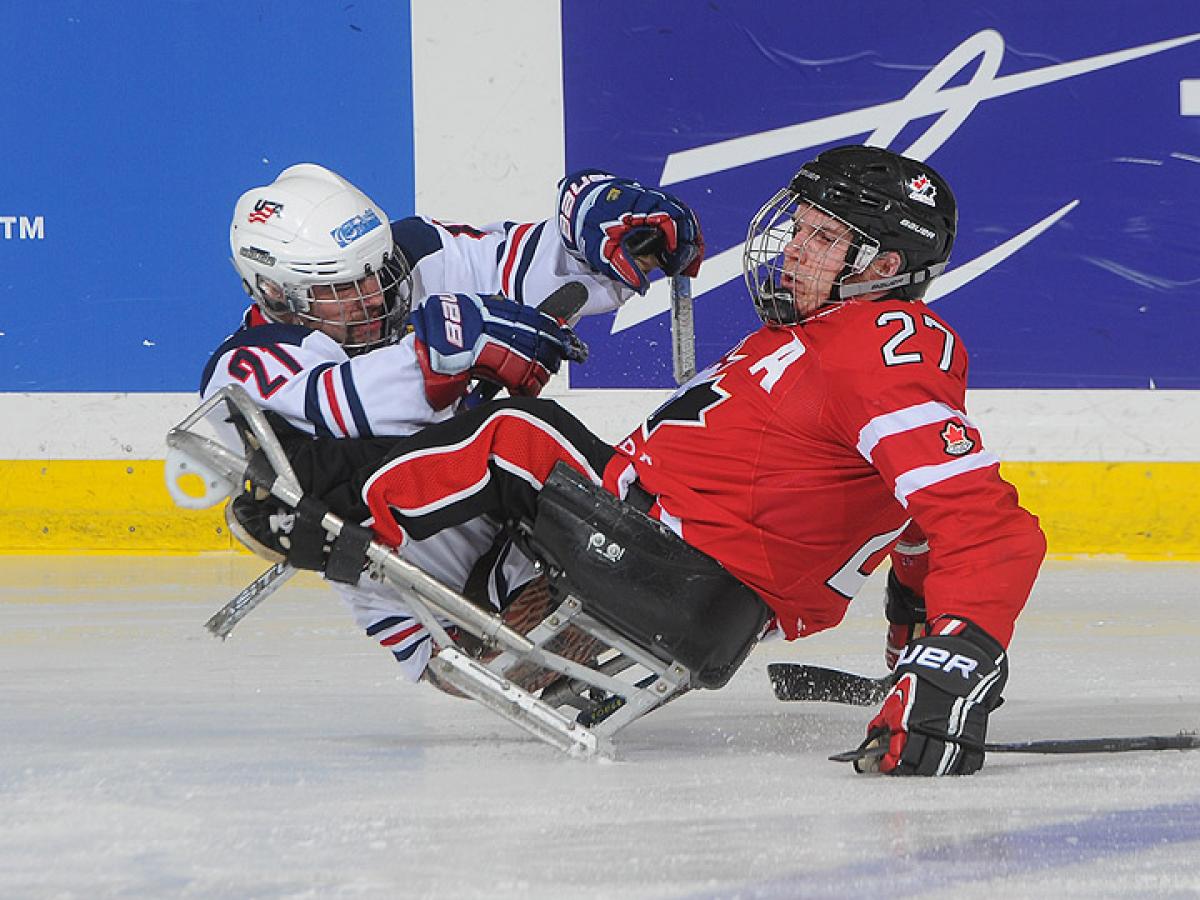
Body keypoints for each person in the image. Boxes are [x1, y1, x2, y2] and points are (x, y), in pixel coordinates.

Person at [250, 145, 1047, 777]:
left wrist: (956, 664)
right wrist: (913, 644)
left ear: (880, 267)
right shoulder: (827, 342)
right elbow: (918, 520)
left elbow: (987, 527)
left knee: (512, 436)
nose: (795, 250)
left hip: (668, 561)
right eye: (799, 227)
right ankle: (407, 557)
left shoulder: (878, 345)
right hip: (676, 572)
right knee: (502, 436)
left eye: (824, 238)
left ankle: (327, 514)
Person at [202, 162, 703, 679]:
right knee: (512, 433)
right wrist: (454, 348)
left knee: (563, 439)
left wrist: (591, 230)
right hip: (437, 611)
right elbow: (343, 406)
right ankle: (664, 545)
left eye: (377, 272)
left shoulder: (411, 256)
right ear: (277, 294)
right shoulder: (243, 366)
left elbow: (516, 261)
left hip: (518, 528)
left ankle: (675, 537)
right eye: (343, 290)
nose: (373, 295)